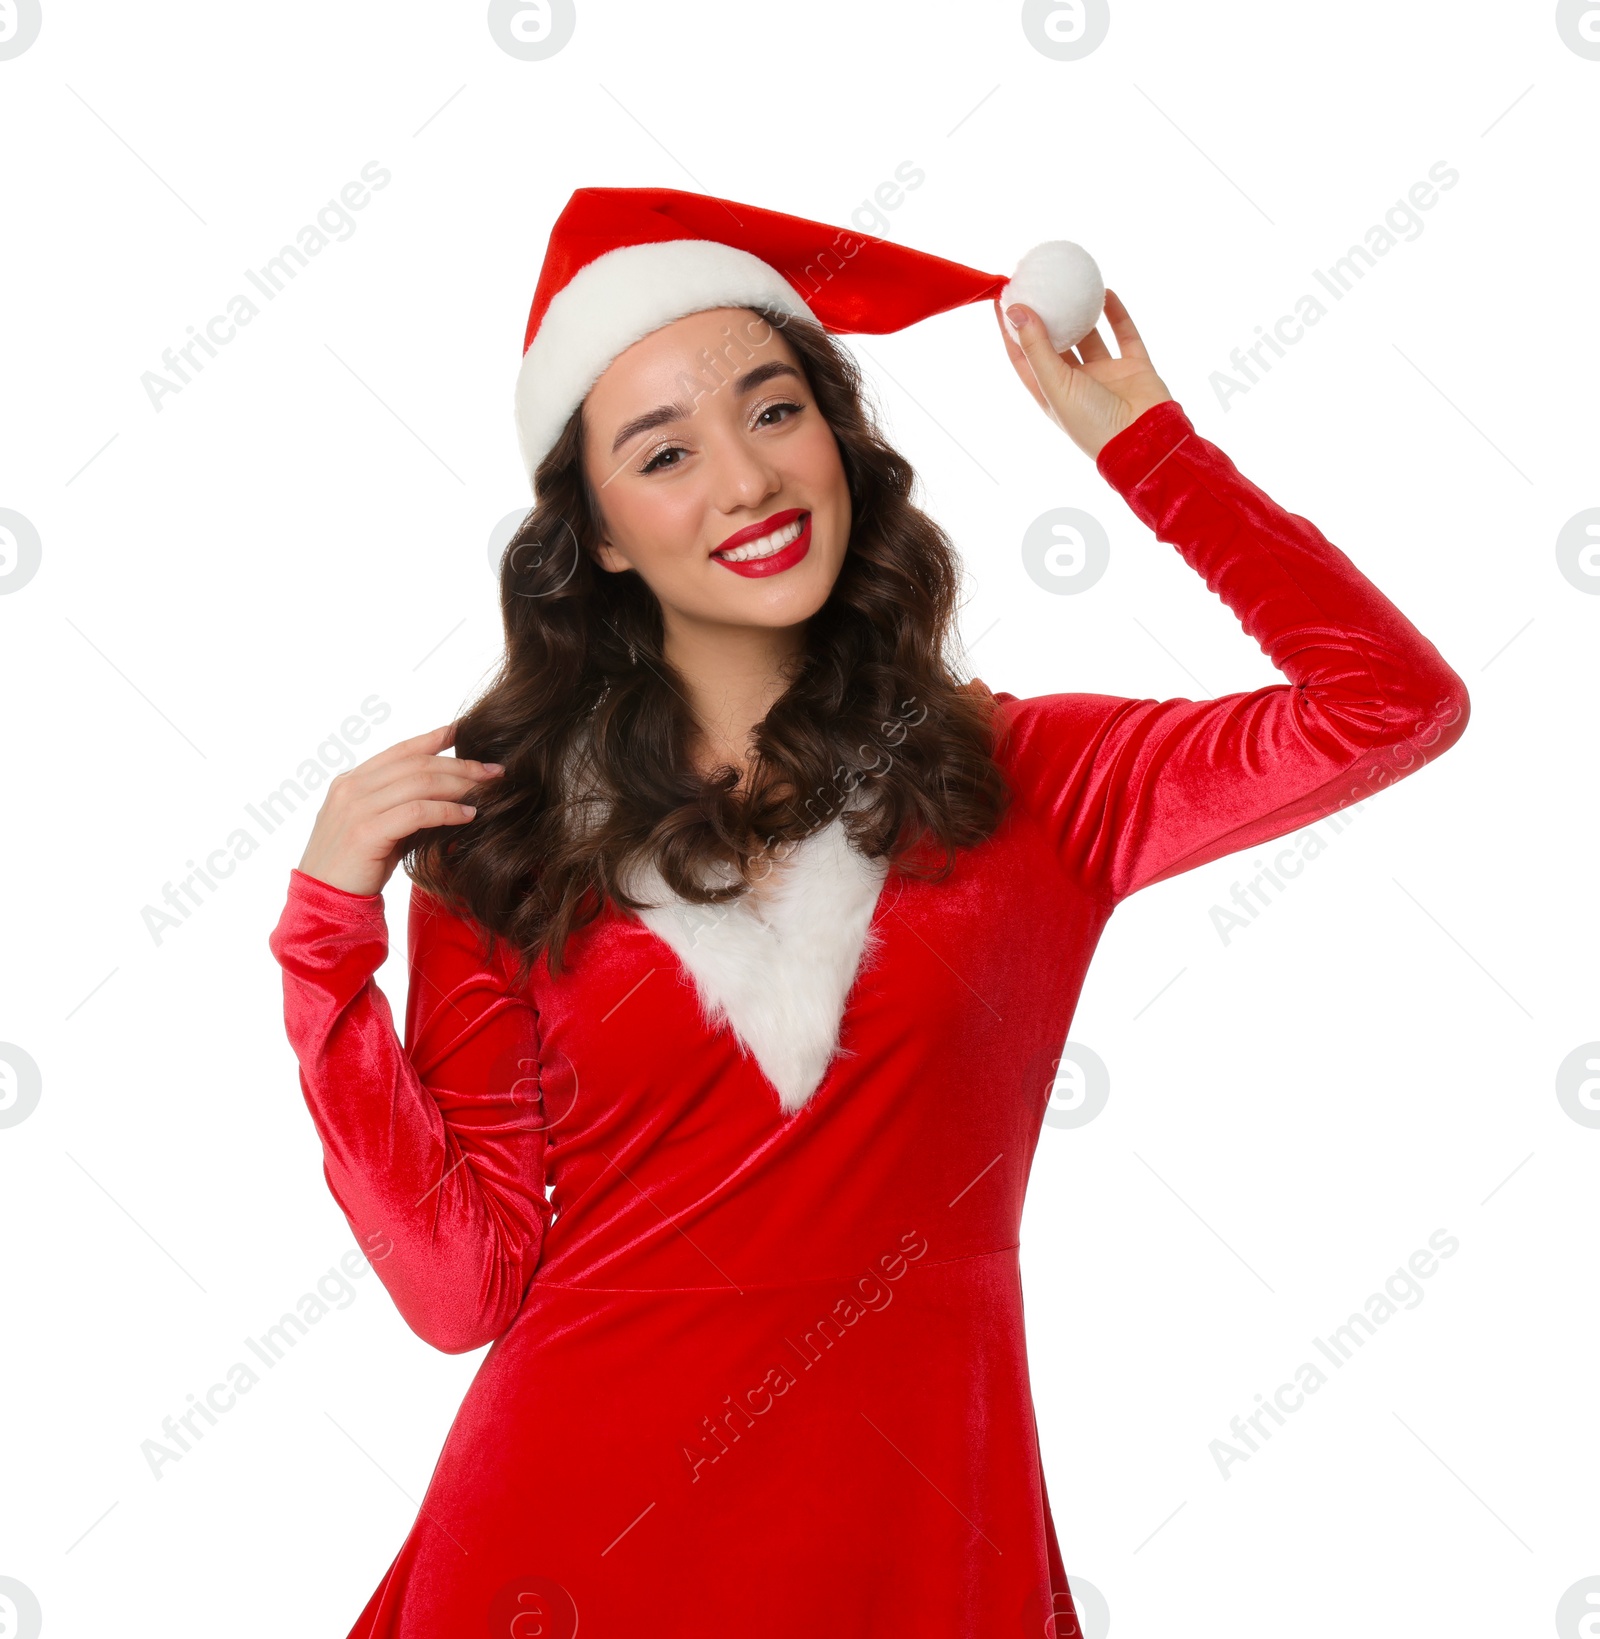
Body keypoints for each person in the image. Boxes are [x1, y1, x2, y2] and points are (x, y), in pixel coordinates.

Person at [267, 187, 1469, 1638]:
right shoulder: (508, 842)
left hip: (912, 1534)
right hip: (567, 1549)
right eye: (665, 452)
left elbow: (1389, 706)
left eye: (775, 412)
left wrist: (1150, 451)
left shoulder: (1037, 780)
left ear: (841, 441)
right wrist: (327, 935)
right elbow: (463, 1292)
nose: (745, 482)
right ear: (597, 540)